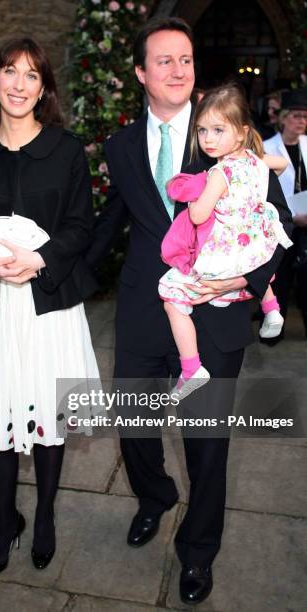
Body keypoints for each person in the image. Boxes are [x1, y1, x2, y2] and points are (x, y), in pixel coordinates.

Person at [86, 17, 292, 605]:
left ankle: (198, 552)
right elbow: (112, 223)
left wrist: (244, 279)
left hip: (216, 309)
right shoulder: (121, 145)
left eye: (187, 59)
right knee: (135, 425)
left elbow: (274, 225)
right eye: (165, 60)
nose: (179, 70)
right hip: (143, 308)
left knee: (206, 441)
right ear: (141, 73)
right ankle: (154, 499)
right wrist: (57, 275)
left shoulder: (225, 135)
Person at [0, 38, 99, 579]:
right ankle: (3, 522)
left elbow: (82, 224)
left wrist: (39, 260)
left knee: (48, 416)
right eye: (9, 71)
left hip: (49, 306)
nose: (18, 84)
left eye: (31, 75)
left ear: (44, 89)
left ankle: (46, 520)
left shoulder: (65, 149)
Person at [159, 84, 292, 399]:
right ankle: (271, 308)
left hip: (223, 253)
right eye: (203, 130)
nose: (208, 138)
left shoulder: (218, 173)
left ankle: (191, 368)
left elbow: (197, 215)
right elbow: (282, 164)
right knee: (255, 262)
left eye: (218, 130)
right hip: (252, 242)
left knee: (171, 296)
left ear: (241, 131)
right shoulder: (256, 162)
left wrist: (195, 200)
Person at [263, 89, 307, 343]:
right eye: (296, 116)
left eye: (304, 117)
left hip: (306, 223)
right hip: (280, 224)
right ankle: (272, 332)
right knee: (280, 279)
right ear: (284, 118)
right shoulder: (268, 147)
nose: (301, 121)